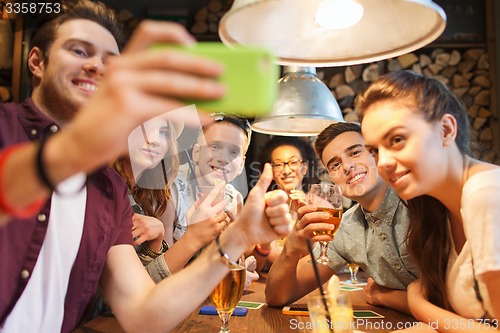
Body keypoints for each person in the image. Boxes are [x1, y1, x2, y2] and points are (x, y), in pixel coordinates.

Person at [0, 2, 291, 332]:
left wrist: (238, 237)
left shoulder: (108, 190)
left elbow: (143, 315)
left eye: (110, 61)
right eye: (80, 51)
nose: (96, 65)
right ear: (37, 61)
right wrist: (82, 144)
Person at [357, 70, 500, 332]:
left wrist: (416, 303)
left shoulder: (486, 193)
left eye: (397, 139)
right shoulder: (438, 209)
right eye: (375, 151)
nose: (384, 162)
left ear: (446, 130)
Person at [265, 122, 418, 315]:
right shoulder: (344, 229)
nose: (347, 166)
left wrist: (385, 296)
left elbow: (451, 300)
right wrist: (291, 250)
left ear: (376, 153)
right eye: (335, 164)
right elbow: (277, 297)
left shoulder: (420, 203)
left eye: (355, 153)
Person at [168, 112, 252, 244]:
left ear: (241, 164)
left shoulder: (234, 199)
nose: (223, 159)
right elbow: (161, 262)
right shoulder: (172, 192)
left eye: (233, 152)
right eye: (215, 147)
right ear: (196, 153)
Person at [252, 136, 318, 271]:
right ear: (270, 171)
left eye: (293, 162)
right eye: (278, 164)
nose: (287, 171)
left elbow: (329, 262)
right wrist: (265, 242)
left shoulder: (319, 206)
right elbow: (253, 267)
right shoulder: (260, 206)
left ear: (304, 168)